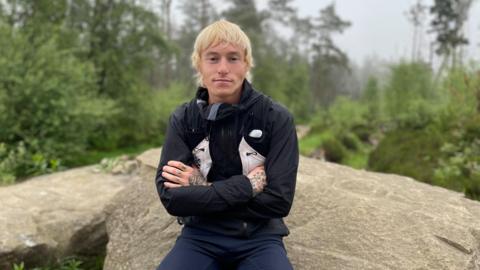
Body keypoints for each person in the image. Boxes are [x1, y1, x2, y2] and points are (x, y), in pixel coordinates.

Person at [155, 19, 299, 270]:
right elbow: (173, 199)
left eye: (233, 58)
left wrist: (201, 188)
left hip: (259, 237)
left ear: (246, 63)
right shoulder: (183, 118)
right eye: (213, 58)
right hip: (200, 236)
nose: (223, 68)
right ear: (198, 62)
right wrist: (247, 186)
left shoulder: (276, 117)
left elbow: (279, 201)